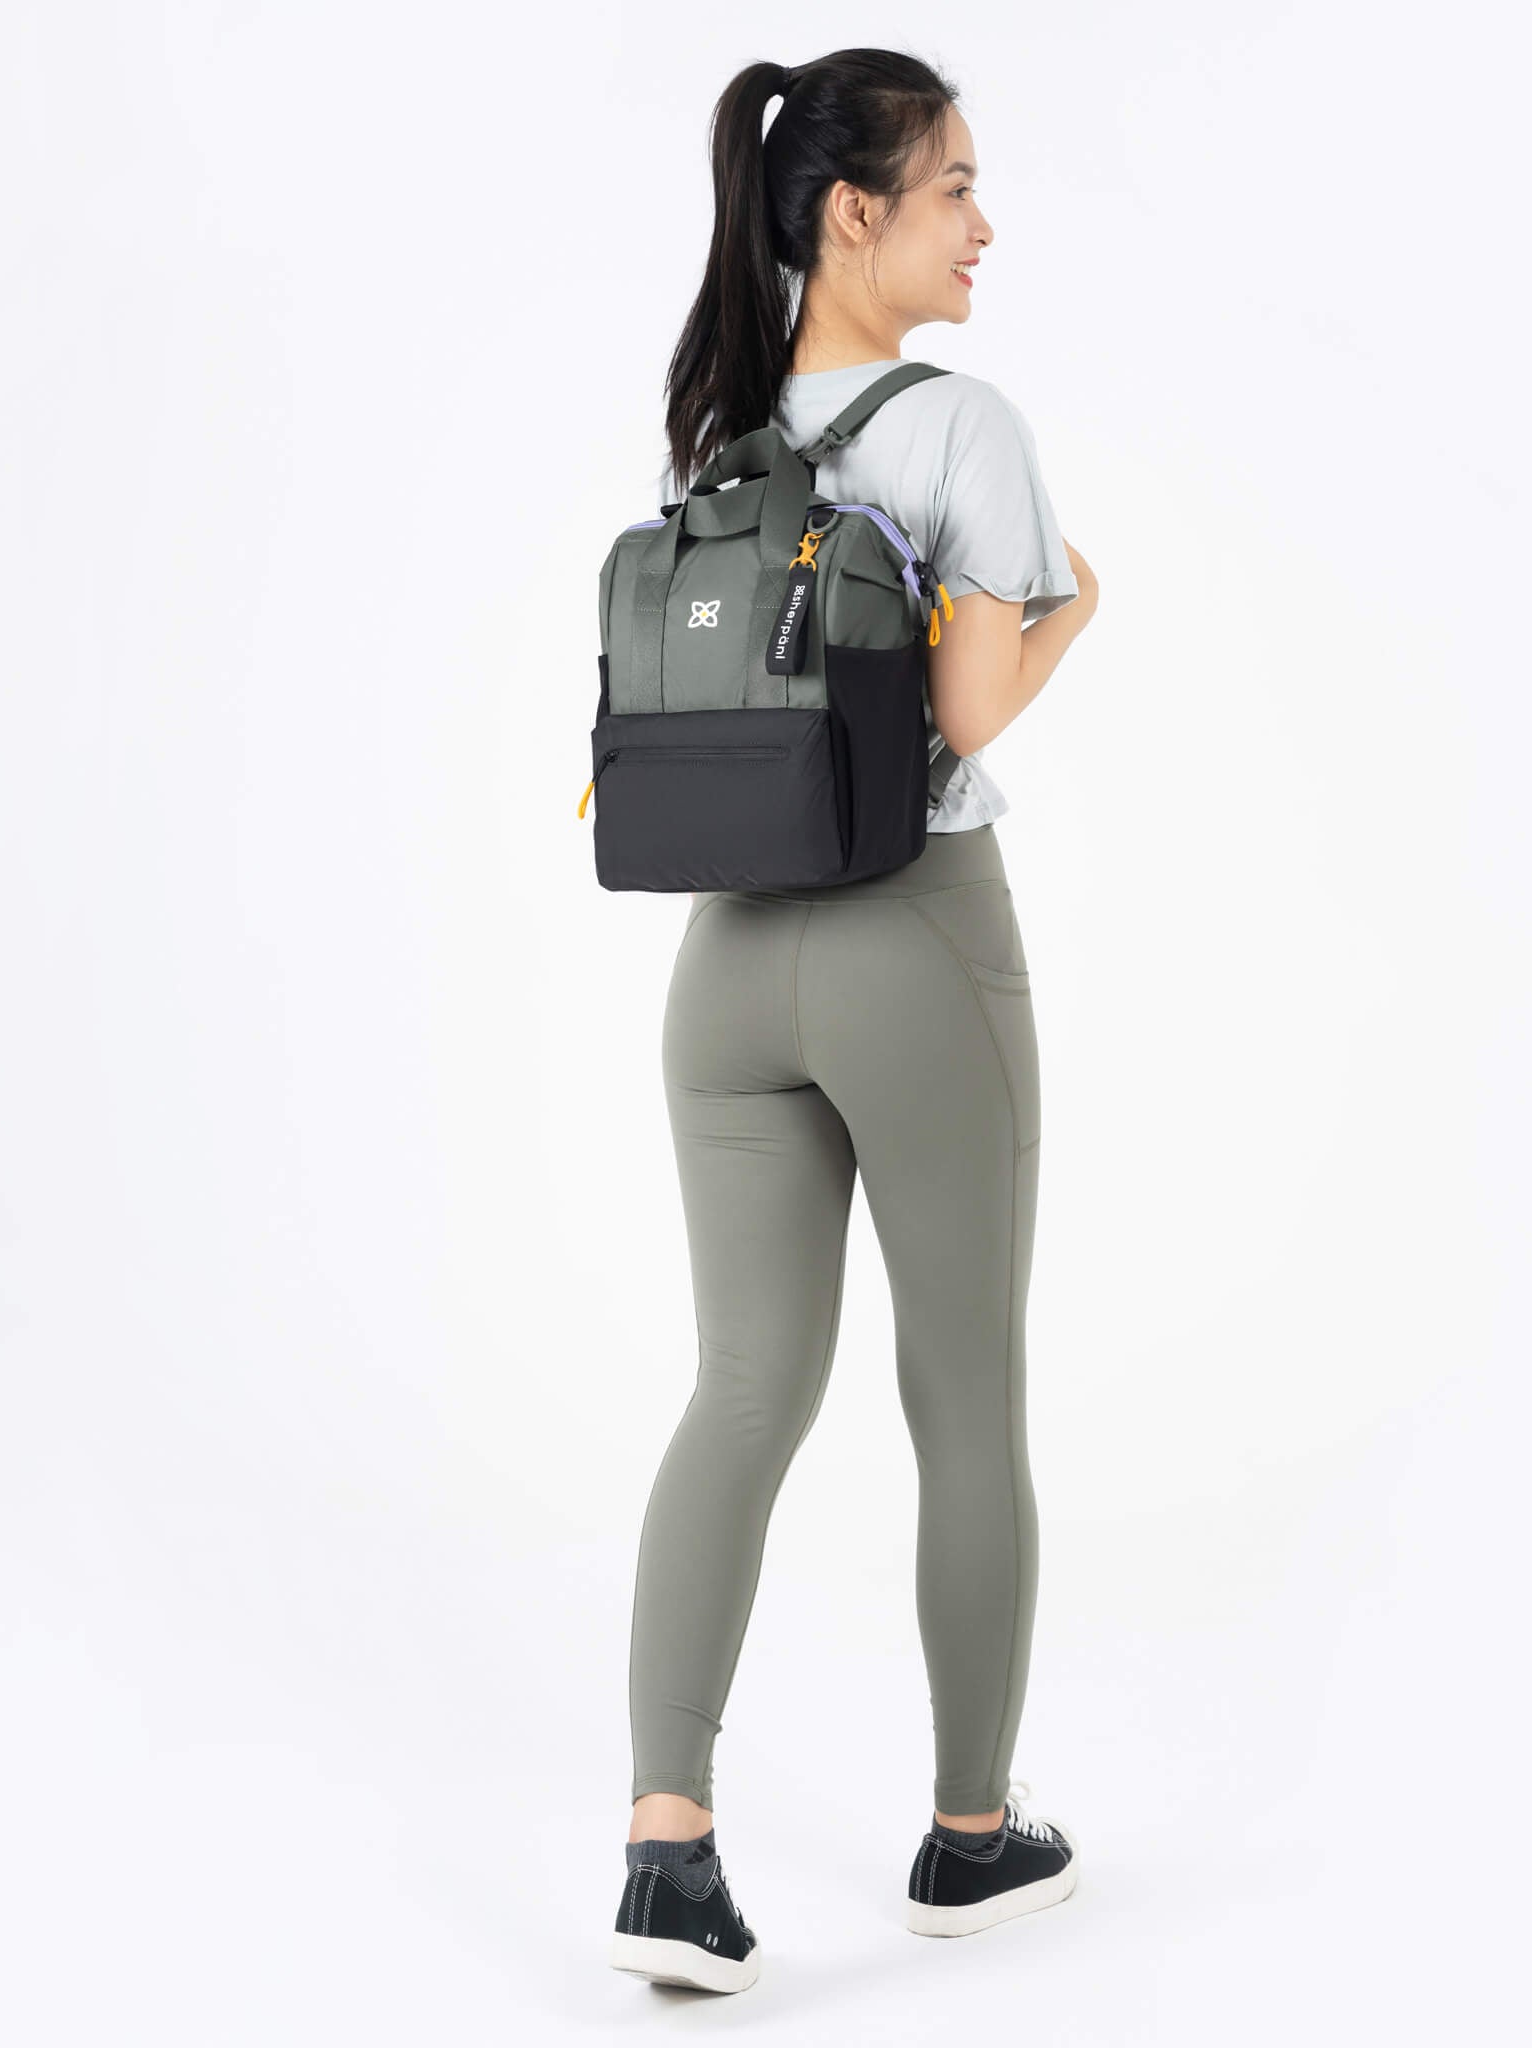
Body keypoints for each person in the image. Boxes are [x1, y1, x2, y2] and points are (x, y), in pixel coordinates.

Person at [608, 48, 1101, 1997]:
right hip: (912, 943)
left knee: (740, 1389)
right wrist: (1072, 611)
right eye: (954, 185)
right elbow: (965, 714)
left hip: (725, 969)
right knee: (962, 1390)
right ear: (851, 212)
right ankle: (973, 1839)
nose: (984, 223)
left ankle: (666, 1853)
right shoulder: (962, 424)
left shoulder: (715, 435)